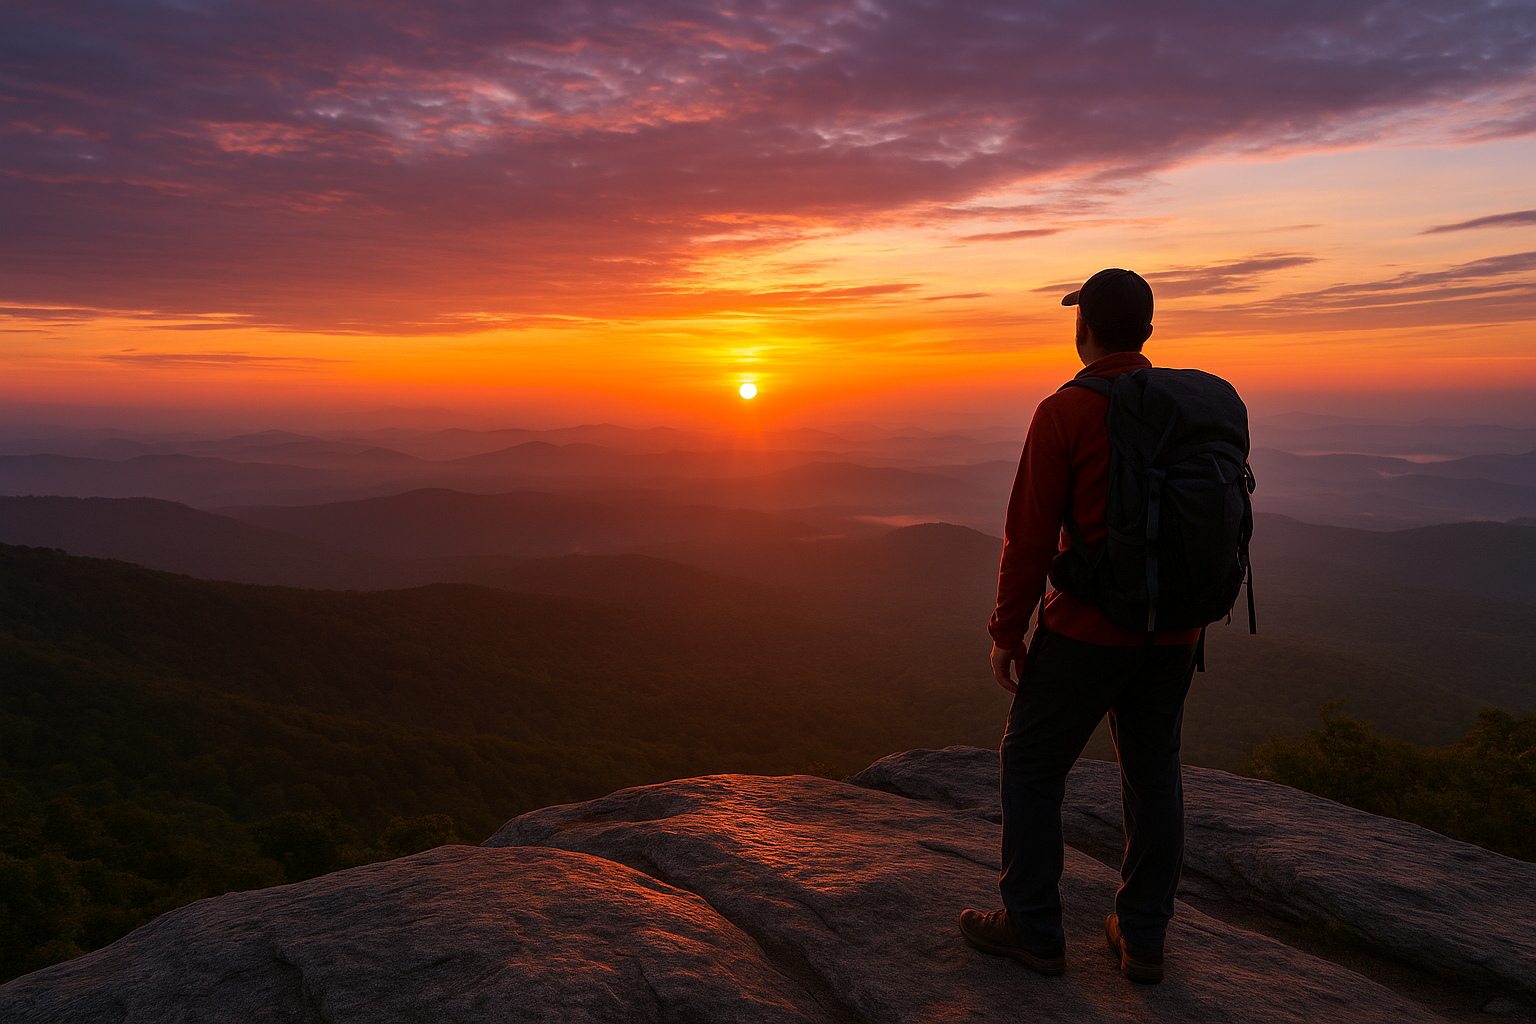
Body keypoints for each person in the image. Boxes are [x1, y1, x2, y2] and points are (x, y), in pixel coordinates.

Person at [959, 268, 1205, 984]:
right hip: (1177, 629)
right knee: (1153, 768)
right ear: (1149, 331)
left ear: (1084, 328)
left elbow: (1029, 537)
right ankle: (1144, 935)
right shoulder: (1186, 407)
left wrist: (1007, 633)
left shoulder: (1064, 411)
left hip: (1087, 631)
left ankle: (1033, 929)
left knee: (1032, 767)